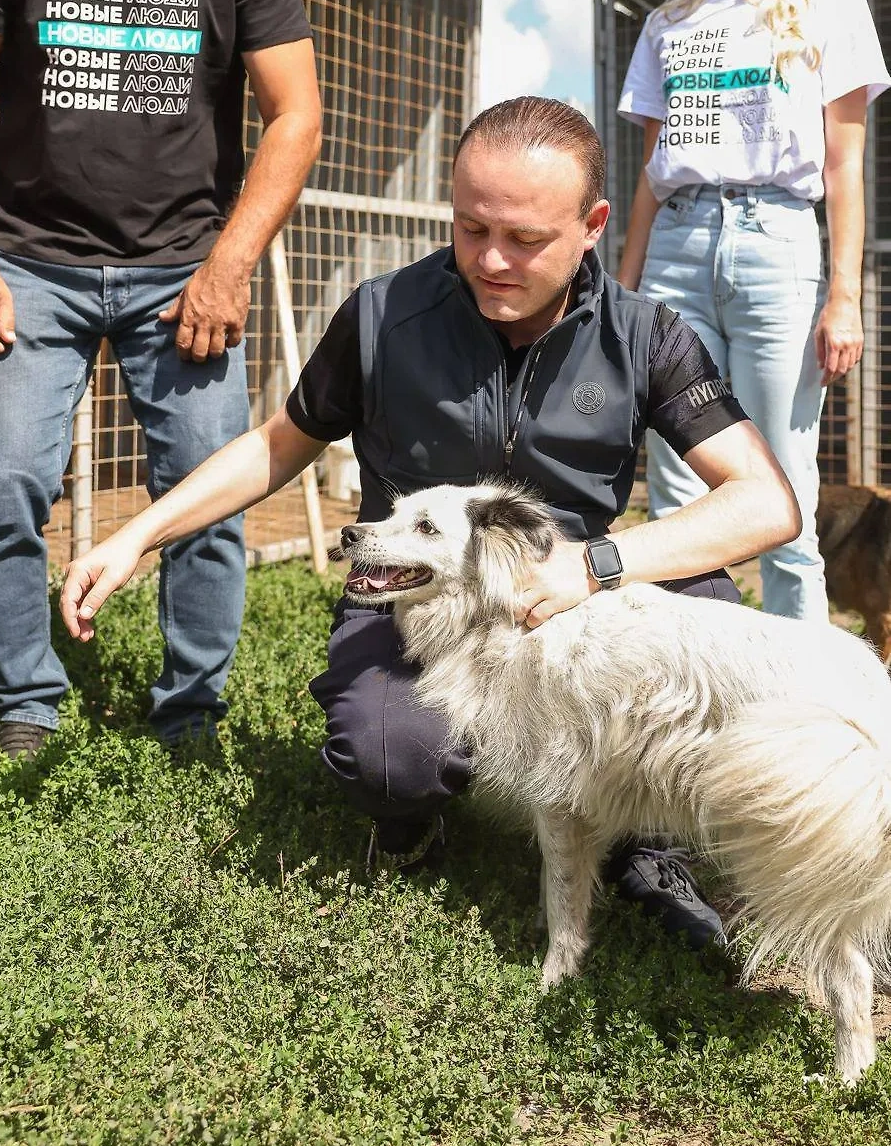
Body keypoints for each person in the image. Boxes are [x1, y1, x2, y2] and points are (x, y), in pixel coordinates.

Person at [61, 97, 801, 947]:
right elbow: (278, 446)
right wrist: (134, 534)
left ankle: (641, 839)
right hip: (420, 599)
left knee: (702, 615)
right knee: (391, 757)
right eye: (470, 226)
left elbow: (764, 502)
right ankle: (415, 817)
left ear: (593, 224)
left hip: (574, 602)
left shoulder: (646, 336)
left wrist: (591, 565)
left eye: (524, 239)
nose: (490, 260)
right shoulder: (382, 313)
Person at [0, 0, 322, 758]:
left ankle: (191, 712)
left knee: (210, 491)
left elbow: (294, 112)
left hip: (185, 269)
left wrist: (230, 264)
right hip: (28, 261)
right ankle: (22, 700)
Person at [616, 0, 890, 621]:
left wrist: (843, 296)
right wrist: (623, 292)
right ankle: (691, 695)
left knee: (786, 495)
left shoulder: (831, 0)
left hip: (777, 243)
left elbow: (843, 163)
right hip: (674, 247)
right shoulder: (666, 21)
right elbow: (653, 173)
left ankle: (803, 703)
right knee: (674, 496)